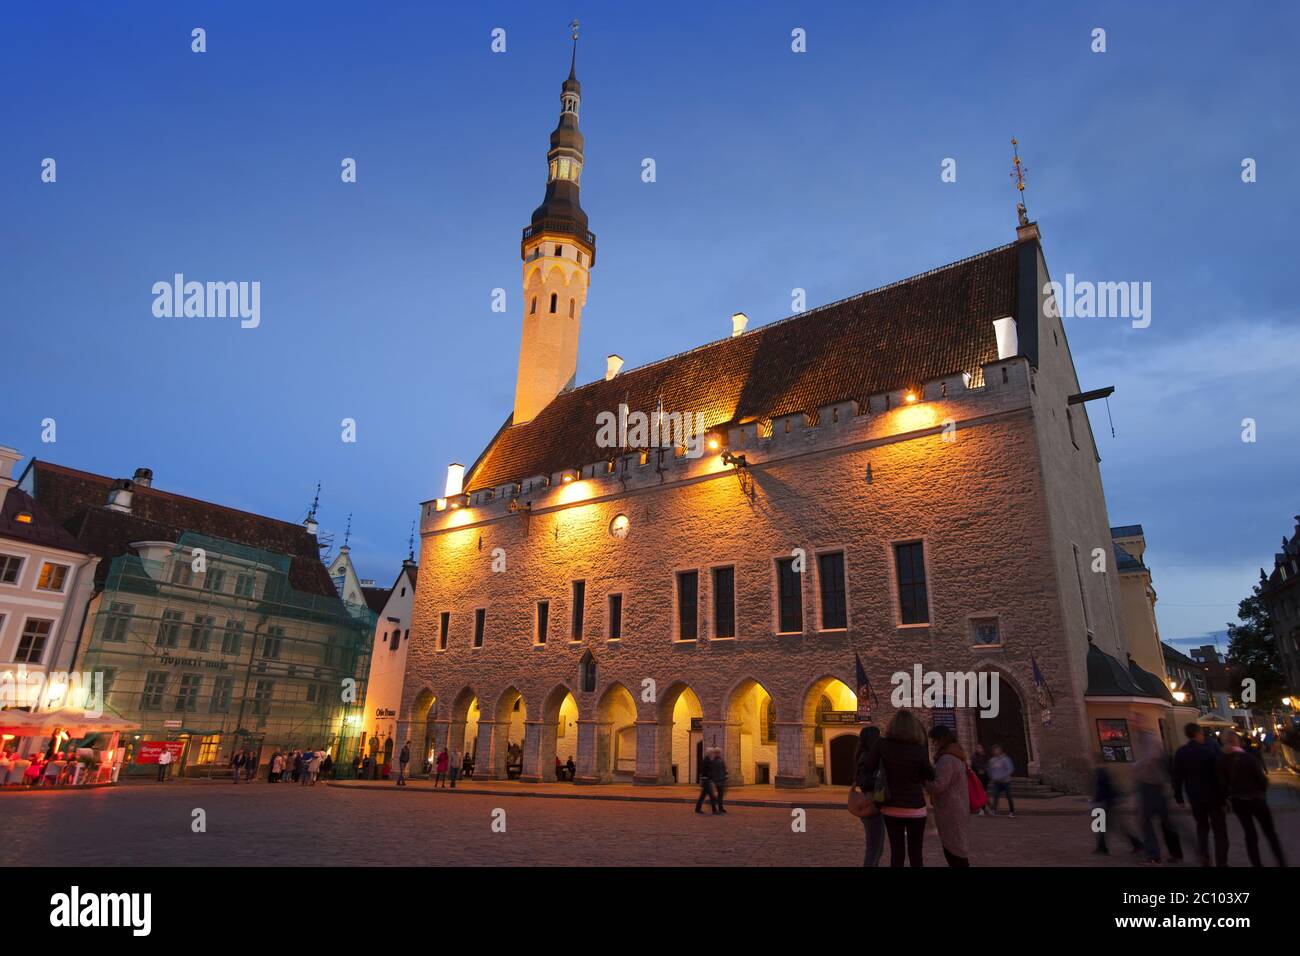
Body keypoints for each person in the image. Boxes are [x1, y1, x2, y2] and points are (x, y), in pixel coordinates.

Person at [863, 710, 935, 867]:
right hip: (915, 808)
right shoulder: (918, 748)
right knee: (916, 854)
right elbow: (930, 774)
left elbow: (868, 766)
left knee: (897, 854)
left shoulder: (882, 745)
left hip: (891, 806)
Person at [1220, 730, 1287, 866]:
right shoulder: (1248, 758)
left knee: (1250, 834)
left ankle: (1256, 863)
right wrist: (1261, 792)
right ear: (1237, 742)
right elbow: (1262, 779)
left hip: (1239, 801)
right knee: (1270, 833)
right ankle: (1280, 861)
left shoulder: (1223, 760)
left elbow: (1222, 783)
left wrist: (1227, 798)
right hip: (1256, 799)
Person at [1173, 722, 1229, 867]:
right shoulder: (1209, 752)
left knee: (1202, 827)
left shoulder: (1181, 752)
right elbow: (1219, 775)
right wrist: (1224, 797)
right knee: (1219, 831)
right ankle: (1221, 862)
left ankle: (1204, 855)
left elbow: (1177, 777)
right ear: (1198, 733)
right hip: (1214, 796)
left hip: (1195, 797)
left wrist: (1179, 797)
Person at [1134, 726, 1183, 864]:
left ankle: (1156, 855)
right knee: (1162, 822)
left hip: (1153, 787)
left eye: (1134, 721)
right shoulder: (1142, 742)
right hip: (1154, 787)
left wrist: (1139, 769)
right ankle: (1172, 854)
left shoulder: (1150, 740)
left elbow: (1153, 759)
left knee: (1151, 822)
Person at [926, 725, 971, 866]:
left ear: (941, 740)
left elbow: (938, 786)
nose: (933, 744)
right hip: (957, 807)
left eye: (934, 741)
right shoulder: (956, 756)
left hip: (950, 810)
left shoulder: (947, 759)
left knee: (955, 852)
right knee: (956, 849)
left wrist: (924, 779)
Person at [1091, 754, 1142, 855]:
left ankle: (1137, 843)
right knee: (1104, 827)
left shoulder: (1101, 772)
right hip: (1107, 803)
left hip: (1106, 804)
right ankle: (1102, 847)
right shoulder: (1106, 771)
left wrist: (1096, 800)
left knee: (1116, 827)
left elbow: (1103, 789)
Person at [852, 724, 886, 867]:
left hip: (875, 802)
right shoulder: (867, 757)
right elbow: (864, 781)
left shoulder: (868, 755)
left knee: (878, 847)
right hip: (871, 803)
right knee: (874, 847)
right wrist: (879, 778)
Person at [986, 744, 1015, 816]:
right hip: (997, 782)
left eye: (997, 750)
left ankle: (1012, 811)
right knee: (995, 796)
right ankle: (994, 810)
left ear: (1000, 750)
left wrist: (1003, 776)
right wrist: (992, 776)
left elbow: (1010, 769)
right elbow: (990, 769)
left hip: (1006, 782)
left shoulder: (1005, 759)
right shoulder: (992, 760)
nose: (995, 751)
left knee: (1009, 797)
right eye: (994, 750)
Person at [694, 749, 717, 814]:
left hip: (706, 780)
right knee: (711, 795)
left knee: (703, 795)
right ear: (709, 753)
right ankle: (714, 810)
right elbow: (709, 769)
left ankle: (697, 809)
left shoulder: (707, 759)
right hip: (706, 780)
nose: (712, 754)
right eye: (712, 753)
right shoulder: (707, 760)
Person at [970, 743, 990, 815]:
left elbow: (988, 764)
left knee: (983, 793)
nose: (978, 749)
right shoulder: (974, 756)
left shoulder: (985, 756)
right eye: (977, 747)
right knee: (979, 793)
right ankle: (981, 808)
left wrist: (984, 769)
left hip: (984, 778)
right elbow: (973, 765)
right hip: (977, 777)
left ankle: (984, 808)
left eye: (979, 747)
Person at [707, 748, 728, 814]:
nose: (720, 753)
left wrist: (725, 775)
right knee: (719, 794)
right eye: (719, 752)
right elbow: (715, 772)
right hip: (719, 780)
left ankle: (720, 807)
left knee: (720, 795)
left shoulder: (719, 760)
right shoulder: (716, 761)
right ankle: (718, 807)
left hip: (721, 780)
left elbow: (724, 769)